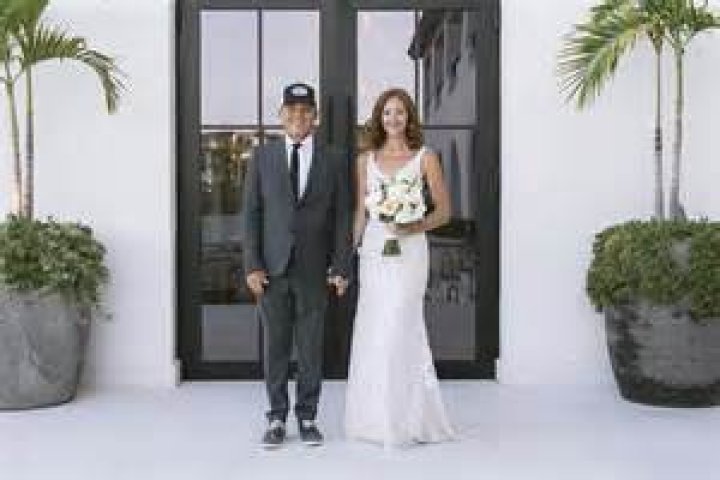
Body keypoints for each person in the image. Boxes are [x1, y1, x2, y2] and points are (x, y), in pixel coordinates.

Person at [242, 82, 351, 449]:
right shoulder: (263, 157)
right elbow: (251, 214)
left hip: (313, 269)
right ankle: (276, 417)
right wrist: (252, 264)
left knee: (310, 347)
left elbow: (342, 217)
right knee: (275, 347)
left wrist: (341, 265)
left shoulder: (334, 158)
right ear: (281, 115)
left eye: (305, 111)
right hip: (271, 270)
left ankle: (307, 416)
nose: (298, 116)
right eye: (291, 110)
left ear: (315, 116)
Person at [344, 87, 455, 447]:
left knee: (400, 324)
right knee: (374, 327)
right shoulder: (365, 161)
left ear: (409, 118)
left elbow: (444, 212)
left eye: (400, 112)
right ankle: (373, 419)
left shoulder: (425, 157)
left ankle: (409, 418)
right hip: (376, 250)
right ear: (379, 118)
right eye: (387, 112)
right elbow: (360, 214)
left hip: (410, 250)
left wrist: (413, 225)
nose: (393, 118)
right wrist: (348, 256)